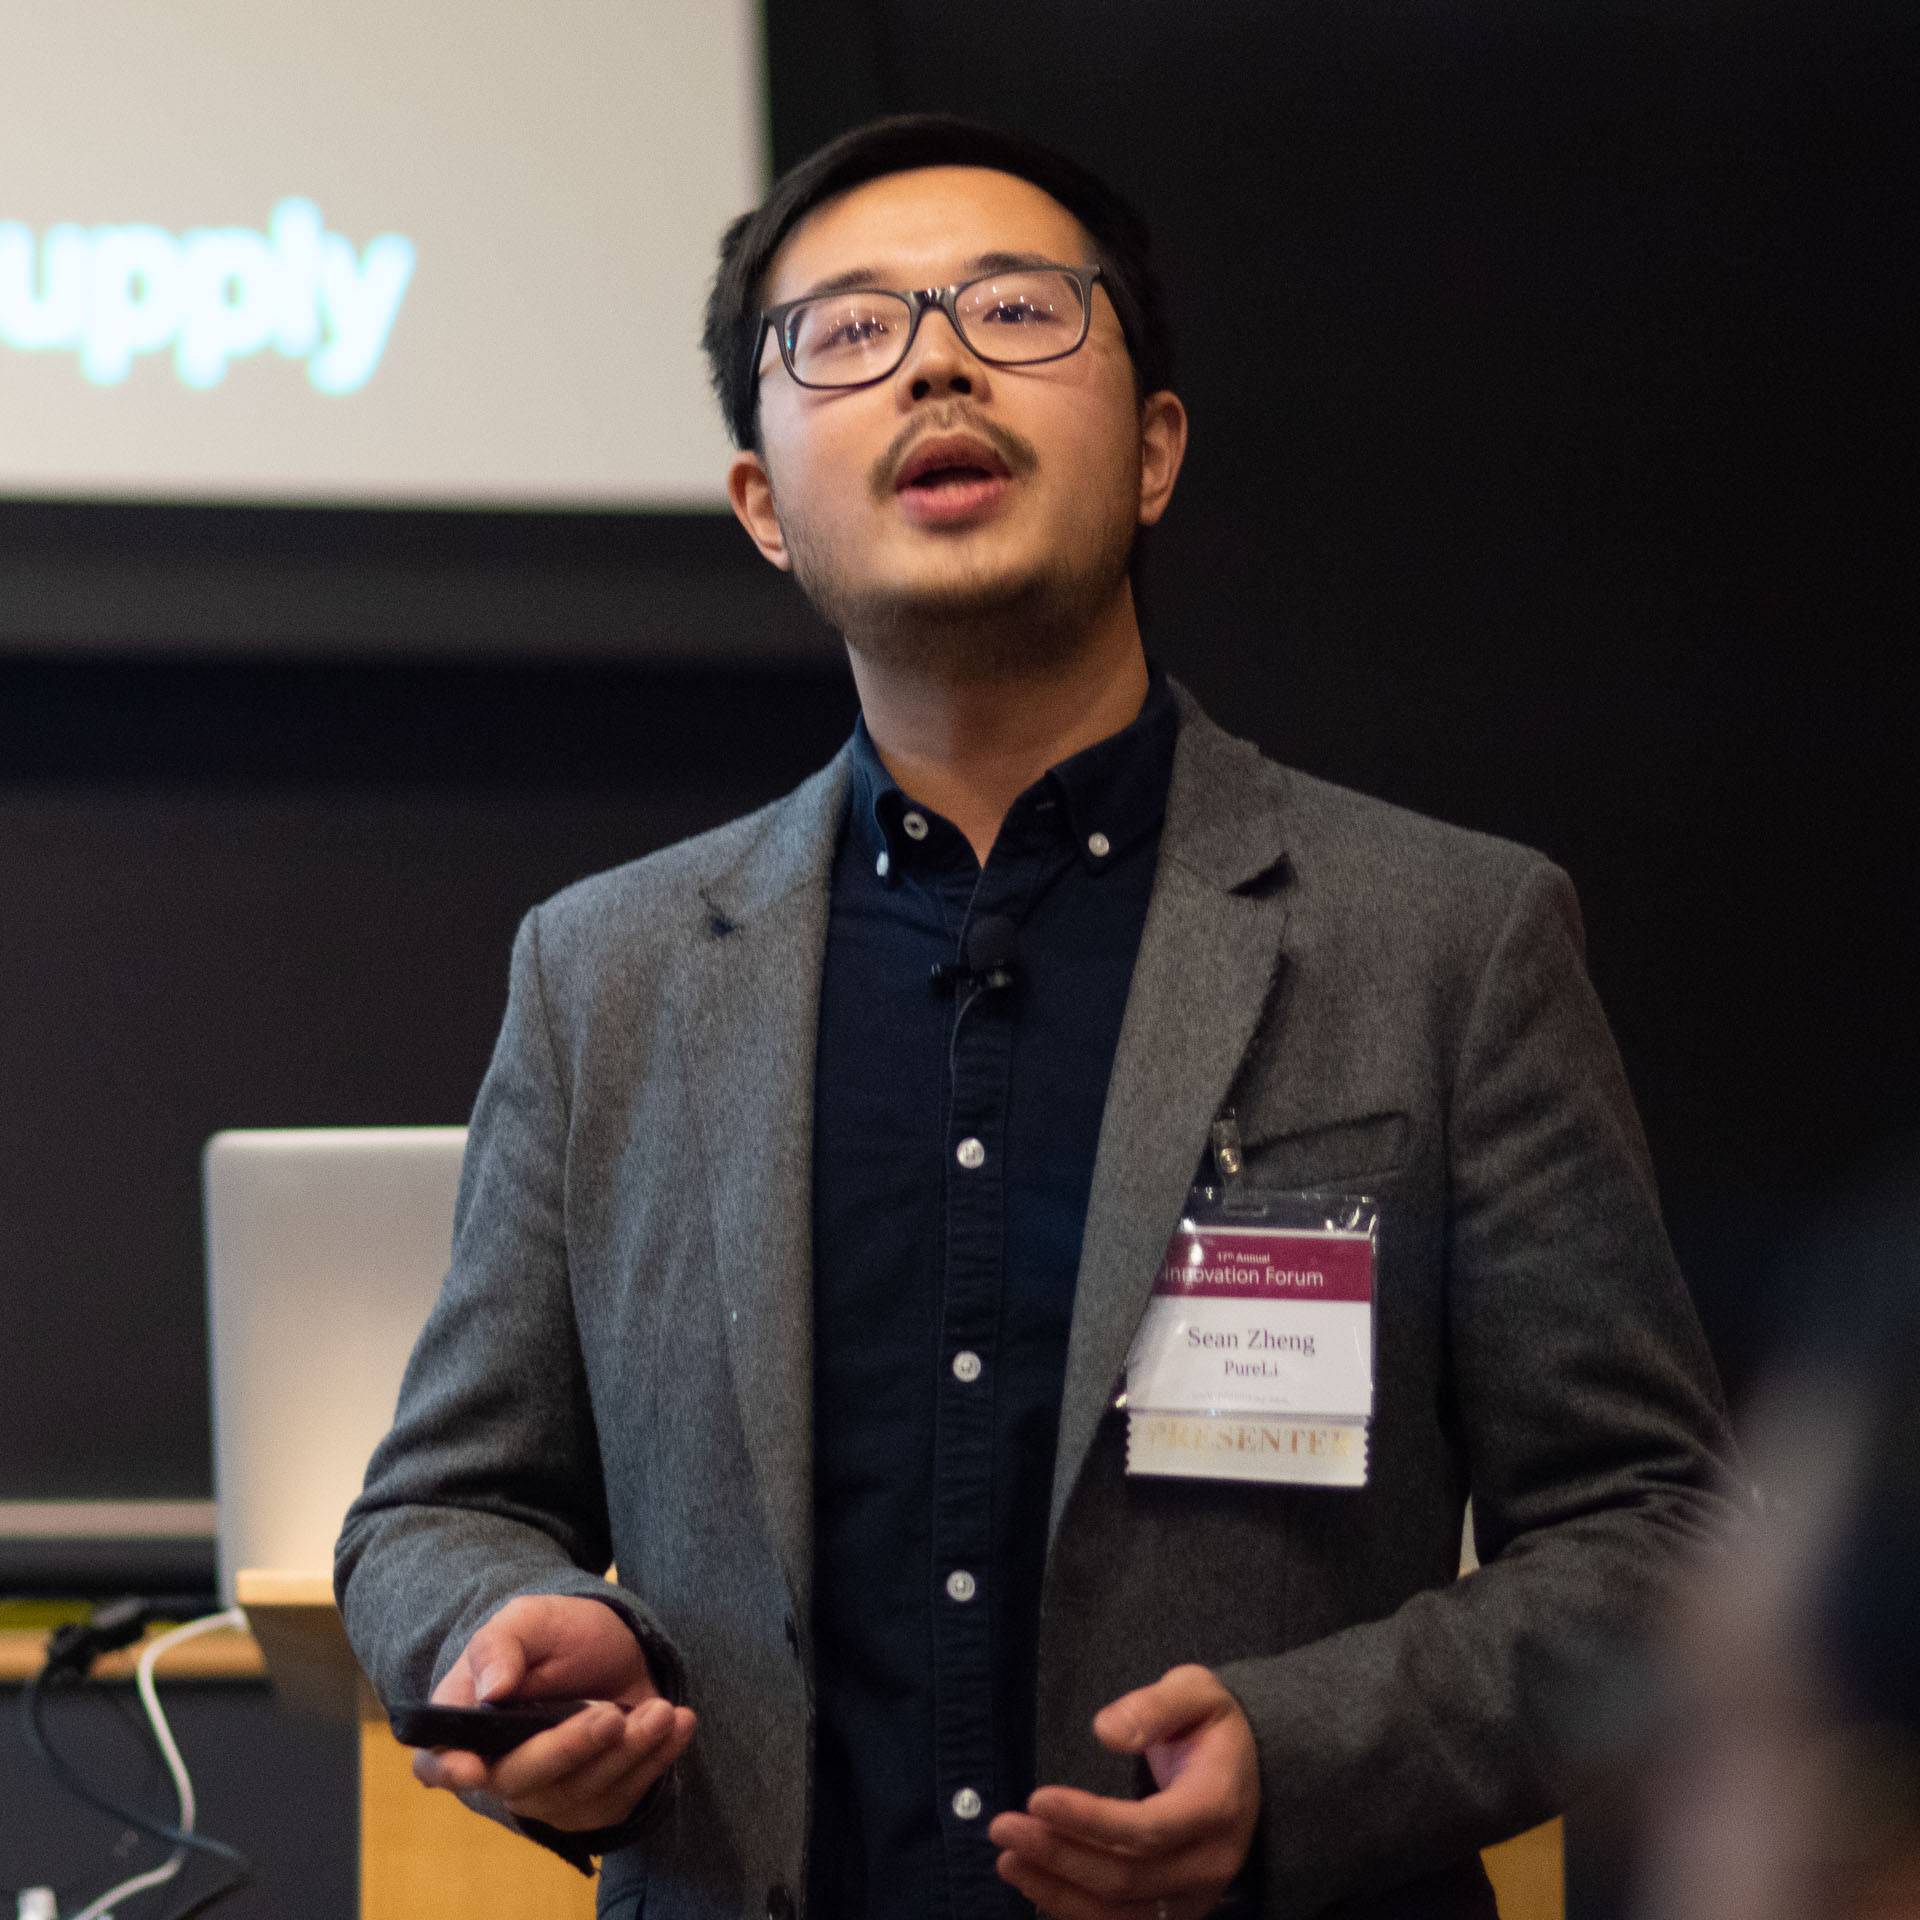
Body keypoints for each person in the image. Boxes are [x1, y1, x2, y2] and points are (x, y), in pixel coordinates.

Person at [335, 113, 1740, 1920]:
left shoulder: (1449, 939)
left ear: (1154, 450)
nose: (933, 358)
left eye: (1013, 310)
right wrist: (505, 1634)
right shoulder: (607, 974)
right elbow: (436, 1511)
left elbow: (1660, 1538)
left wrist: (1307, 1750)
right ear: (763, 503)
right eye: (844, 332)